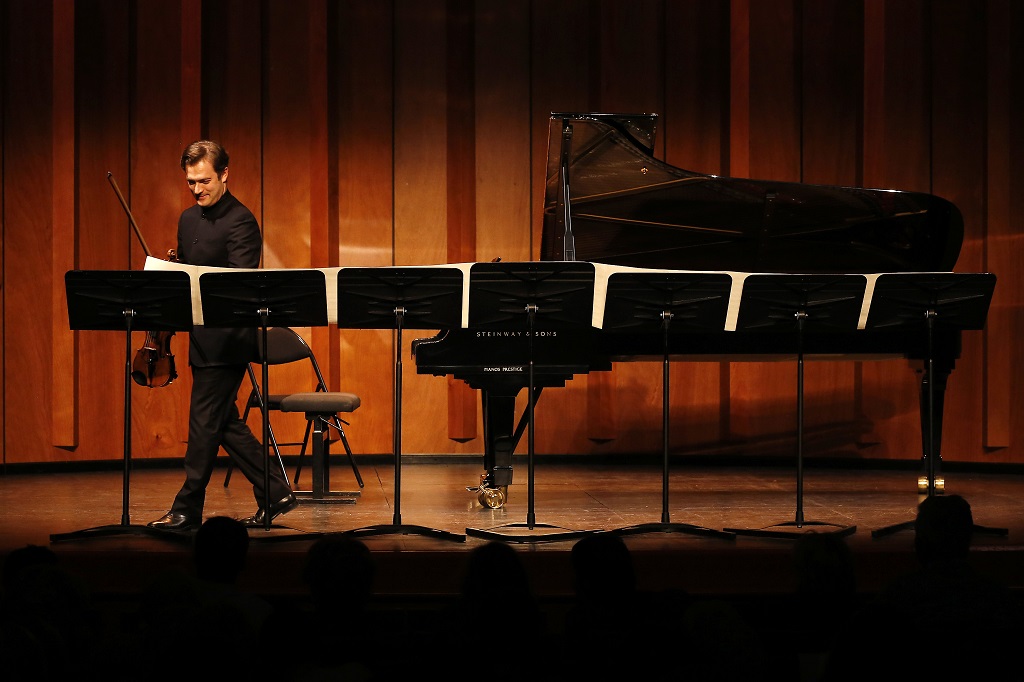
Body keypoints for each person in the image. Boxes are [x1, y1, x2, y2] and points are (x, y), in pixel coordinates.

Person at [148, 140, 296, 531]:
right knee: (222, 423)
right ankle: (276, 490)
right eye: (191, 182)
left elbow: (239, 285)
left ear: (225, 174)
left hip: (228, 340)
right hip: (200, 338)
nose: (198, 189)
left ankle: (186, 509)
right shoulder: (187, 219)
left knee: (202, 423)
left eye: (205, 180)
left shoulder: (241, 220)